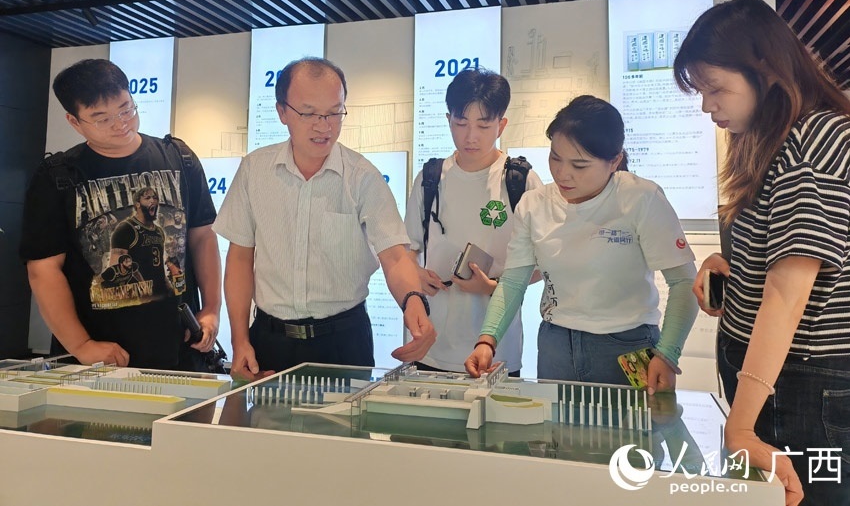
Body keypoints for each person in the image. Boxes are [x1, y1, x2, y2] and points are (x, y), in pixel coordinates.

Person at [673, 0, 850, 506]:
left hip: (800, 380)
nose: (707, 106)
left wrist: (741, 427)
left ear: (765, 70)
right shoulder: (770, 138)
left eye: (715, 88)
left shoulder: (811, 141)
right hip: (775, 376)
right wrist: (729, 266)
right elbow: (781, 255)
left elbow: (787, 295)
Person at [214, 57, 435, 380]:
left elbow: (395, 255)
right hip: (271, 340)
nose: (324, 126)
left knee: (346, 415)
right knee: (266, 415)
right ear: (282, 112)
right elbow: (239, 259)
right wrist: (239, 339)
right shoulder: (255, 171)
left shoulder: (362, 177)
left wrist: (413, 300)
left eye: (334, 112)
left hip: (344, 342)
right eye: (309, 114)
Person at [465, 95, 699, 394]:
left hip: (627, 345)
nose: (563, 173)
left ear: (614, 161)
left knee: (628, 426)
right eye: (555, 158)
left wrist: (668, 353)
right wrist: (487, 340)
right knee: (557, 425)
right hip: (556, 344)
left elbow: (683, 282)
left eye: (579, 165)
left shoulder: (640, 198)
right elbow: (513, 282)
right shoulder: (534, 204)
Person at [19, 59, 221, 371]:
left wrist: (211, 309)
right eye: (102, 118)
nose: (120, 123)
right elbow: (43, 270)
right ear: (74, 121)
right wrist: (81, 345)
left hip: (181, 349)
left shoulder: (179, 158)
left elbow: (202, 237)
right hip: (99, 357)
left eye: (126, 109)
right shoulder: (57, 177)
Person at [404, 68, 543, 377]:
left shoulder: (520, 180)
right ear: (448, 120)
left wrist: (492, 287)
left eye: (483, 125)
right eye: (460, 123)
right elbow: (407, 250)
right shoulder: (430, 178)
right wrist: (416, 274)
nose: (470, 136)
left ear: (501, 125)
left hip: (497, 350)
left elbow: (543, 264)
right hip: (433, 346)